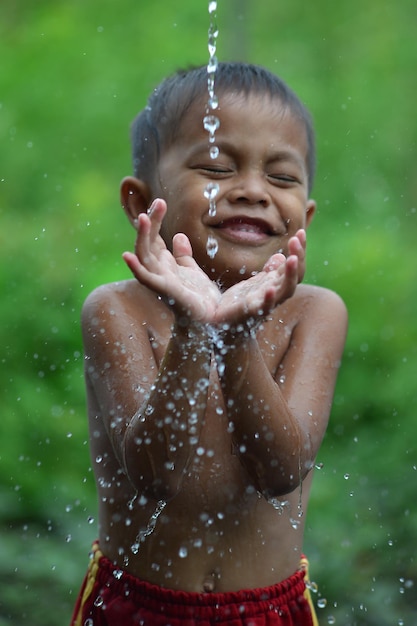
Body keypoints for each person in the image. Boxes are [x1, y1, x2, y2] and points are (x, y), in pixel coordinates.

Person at [70, 62, 348, 626]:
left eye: (283, 178)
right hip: (136, 606)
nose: (252, 191)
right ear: (141, 202)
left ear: (306, 218)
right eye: (216, 167)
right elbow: (156, 477)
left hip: (270, 608)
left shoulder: (314, 313)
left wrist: (238, 333)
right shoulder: (116, 310)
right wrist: (196, 330)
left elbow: (281, 469)